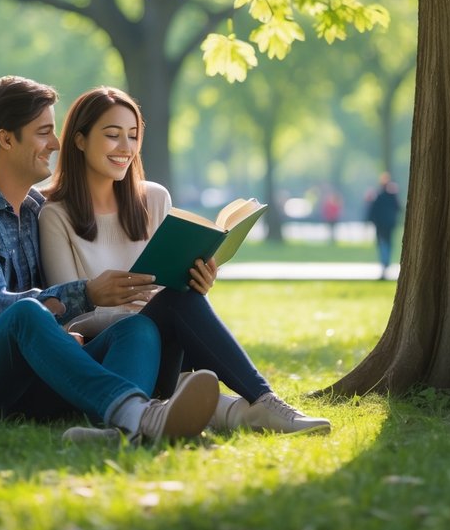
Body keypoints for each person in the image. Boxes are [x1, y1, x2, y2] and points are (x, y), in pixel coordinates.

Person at [0, 75, 219, 445]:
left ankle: (118, 431)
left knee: (135, 329)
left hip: (33, 376)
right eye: (44, 132)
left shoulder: (34, 210)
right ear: (6, 138)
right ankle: (141, 414)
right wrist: (87, 292)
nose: (56, 144)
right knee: (25, 314)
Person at [39, 86, 331, 436]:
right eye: (112, 135)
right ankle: (241, 409)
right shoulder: (54, 214)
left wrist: (198, 281)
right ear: (80, 140)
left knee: (184, 297)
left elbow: (170, 287)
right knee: (165, 311)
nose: (126, 148)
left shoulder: (154, 198)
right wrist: (118, 305)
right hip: (108, 356)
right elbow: (68, 318)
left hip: (165, 349)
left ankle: (264, 402)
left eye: (133, 136)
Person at [365, 173, 401, 279]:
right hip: (389, 225)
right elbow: (398, 208)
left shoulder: (378, 197)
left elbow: (373, 211)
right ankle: (386, 263)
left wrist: (370, 221)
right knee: (388, 244)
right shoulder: (392, 197)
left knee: (382, 244)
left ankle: (384, 263)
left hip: (381, 225)